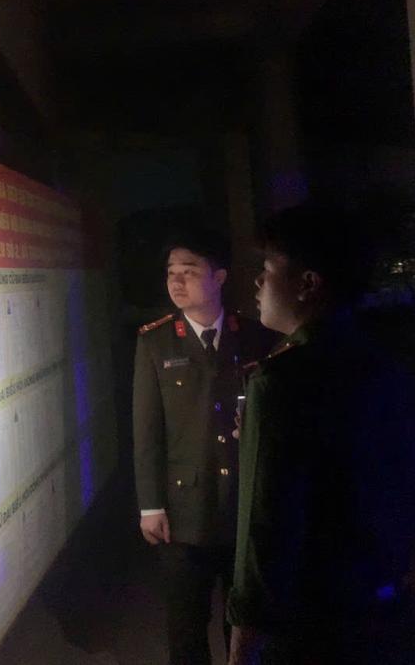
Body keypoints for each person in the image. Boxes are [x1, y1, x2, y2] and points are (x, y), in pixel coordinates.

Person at [226, 204, 415, 664]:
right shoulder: (384, 363)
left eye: (267, 270)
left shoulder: (279, 382)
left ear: (308, 284)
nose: (257, 284)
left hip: (313, 630)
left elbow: (265, 531)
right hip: (389, 614)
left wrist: (242, 647)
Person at [133, 227, 276, 665]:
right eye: (171, 272)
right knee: (186, 624)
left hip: (243, 502)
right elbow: (147, 430)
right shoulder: (156, 341)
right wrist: (150, 505)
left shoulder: (254, 336)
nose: (176, 281)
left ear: (219, 277)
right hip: (184, 508)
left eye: (190, 271)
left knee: (245, 621)